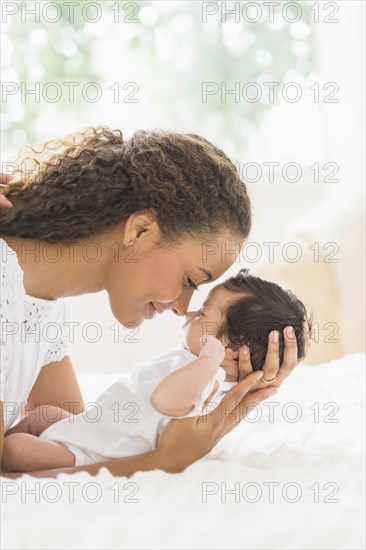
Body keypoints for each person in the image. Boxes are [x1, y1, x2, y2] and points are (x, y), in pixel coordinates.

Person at [0, 127, 309, 477]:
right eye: (190, 280)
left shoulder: (43, 305)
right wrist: (158, 463)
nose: (182, 308)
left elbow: (72, 441)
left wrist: (239, 382)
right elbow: (11, 474)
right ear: (141, 230)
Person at [2, 269, 311, 473]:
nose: (189, 312)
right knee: (44, 416)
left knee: (15, 449)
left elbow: (167, 401)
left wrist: (207, 360)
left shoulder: (208, 376)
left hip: (90, 454)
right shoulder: (199, 365)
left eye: (203, 313)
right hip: (90, 427)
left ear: (232, 347)